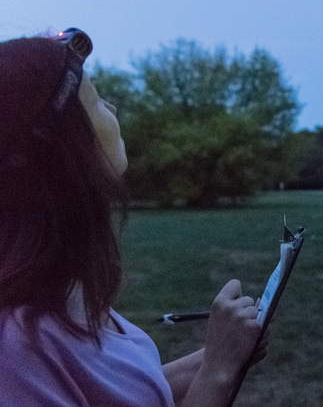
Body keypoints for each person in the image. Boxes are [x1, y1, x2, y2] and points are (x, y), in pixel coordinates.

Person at [0, 30, 266, 407]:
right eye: (95, 102)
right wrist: (218, 369)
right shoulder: (15, 349)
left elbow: (124, 395)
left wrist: (220, 354)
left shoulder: (55, 287)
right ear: (67, 150)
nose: (113, 109)